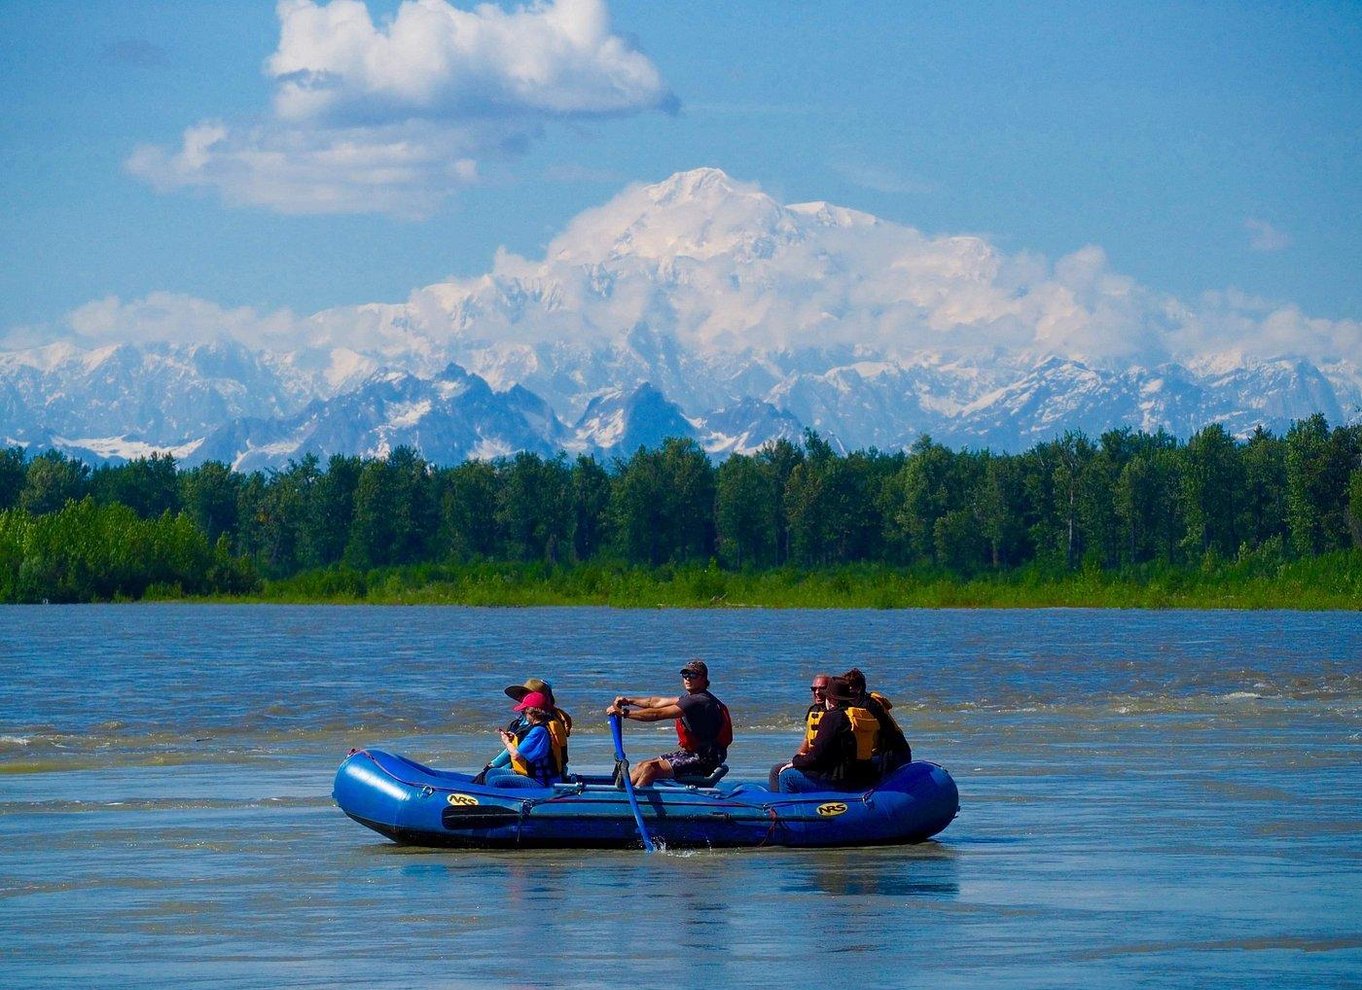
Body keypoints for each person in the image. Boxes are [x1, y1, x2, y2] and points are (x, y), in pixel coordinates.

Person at [606, 659, 731, 787]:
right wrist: (628, 701)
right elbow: (655, 702)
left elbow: (658, 714)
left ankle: (636, 796)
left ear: (703, 678)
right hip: (692, 754)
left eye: (693, 675)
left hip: (705, 759)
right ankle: (620, 792)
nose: (688, 678)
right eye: (685, 674)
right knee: (641, 765)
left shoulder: (699, 701)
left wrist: (624, 713)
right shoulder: (690, 698)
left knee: (650, 769)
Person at [775, 675, 885, 793]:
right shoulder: (860, 713)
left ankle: (783, 804)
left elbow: (816, 755)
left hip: (840, 781)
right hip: (862, 777)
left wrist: (796, 761)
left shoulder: (832, 717)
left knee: (786, 776)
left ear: (832, 699)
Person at [481, 677, 572, 779]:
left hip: (540, 773)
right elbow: (518, 746)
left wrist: (492, 764)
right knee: (492, 773)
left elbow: (517, 754)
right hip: (524, 764)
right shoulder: (527, 719)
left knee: (492, 775)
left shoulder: (544, 725)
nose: (522, 698)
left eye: (527, 695)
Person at [769, 672, 830, 789]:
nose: (817, 692)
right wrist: (795, 760)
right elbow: (807, 739)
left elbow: (823, 749)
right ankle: (777, 799)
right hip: (812, 761)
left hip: (822, 767)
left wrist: (804, 762)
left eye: (822, 688)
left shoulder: (833, 716)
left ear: (830, 690)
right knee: (776, 770)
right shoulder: (814, 711)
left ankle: (787, 800)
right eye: (814, 689)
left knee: (785, 775)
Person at [843, 667, 911, 771]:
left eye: (851, 693)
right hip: (886, 752)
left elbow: (867, 742)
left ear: (859, 689)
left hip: (895, 754)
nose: (848, 698)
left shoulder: (869, 706)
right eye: (845, 694)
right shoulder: (858, 703)